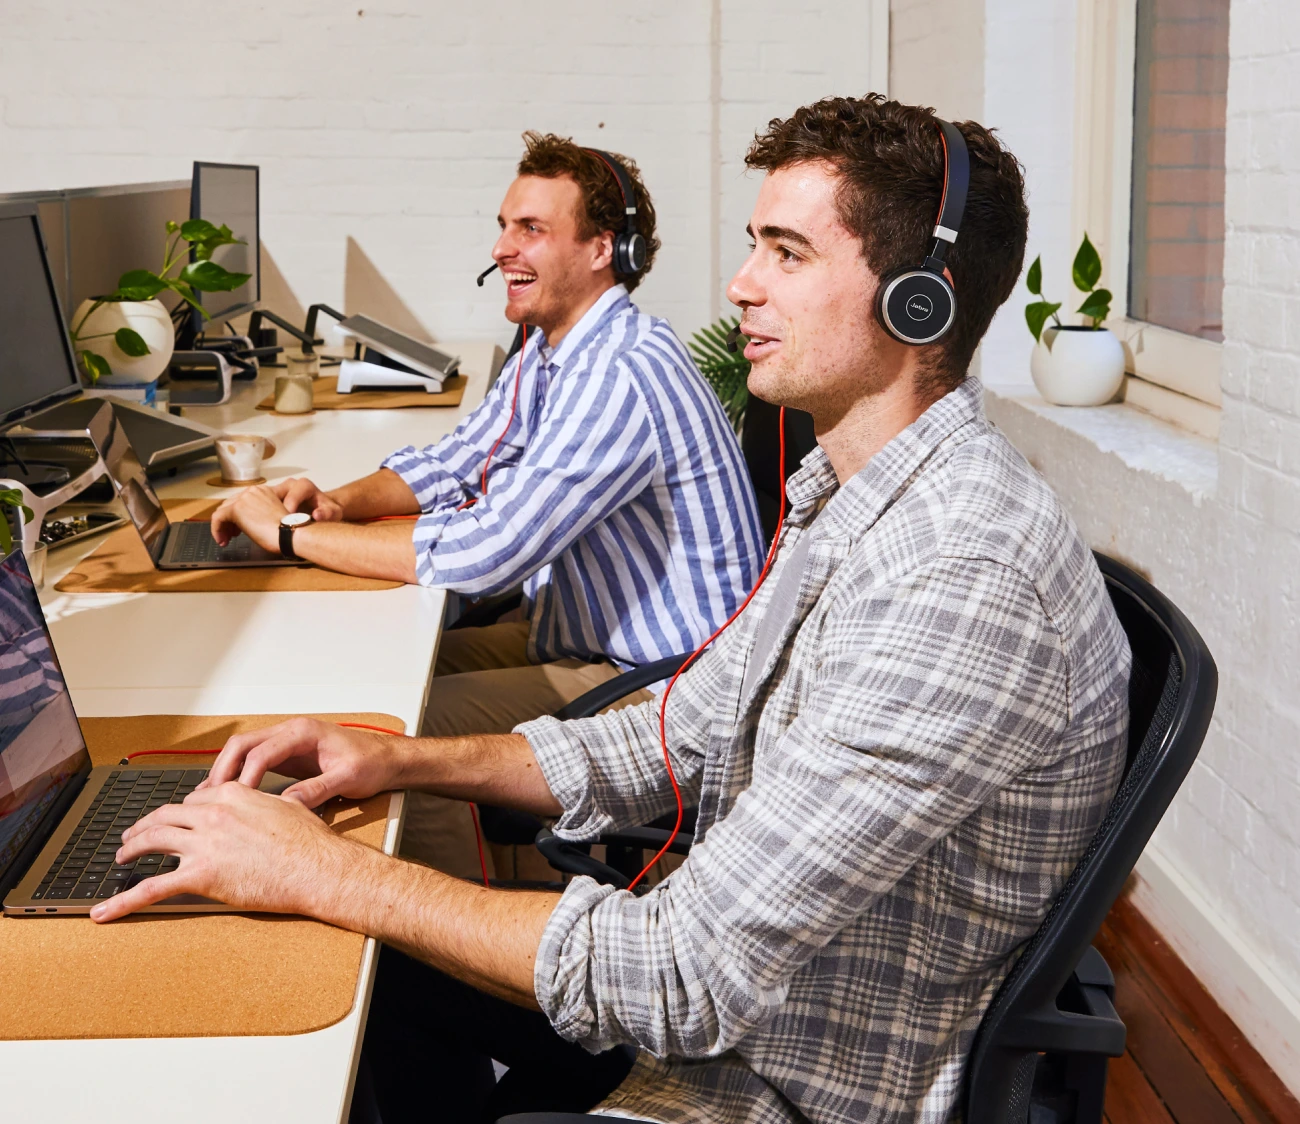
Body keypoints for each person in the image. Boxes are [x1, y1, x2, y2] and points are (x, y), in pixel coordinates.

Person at [93, 96, 1131, 1124]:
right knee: (367, 972)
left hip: (770, 1081)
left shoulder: (959, 574)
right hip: (730, 1019)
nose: (739, 286)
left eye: (786, 254)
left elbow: (685, 972)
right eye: (751, 246)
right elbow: (682, 730)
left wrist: (334, 874)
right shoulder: (857, 496)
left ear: (919, 301)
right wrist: (403, 758)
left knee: (347, 921)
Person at [211, 132, 764, 877]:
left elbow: (483, 553)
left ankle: (461, 946)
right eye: (504, 225)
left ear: (606, 249)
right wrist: (336, 503)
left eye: (531, 229)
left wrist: (287, 535)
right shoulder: (552, 348)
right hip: (584, 635)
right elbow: (461, 458)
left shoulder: (621, 374)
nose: (504, 247)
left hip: (660, 686)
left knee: (394, 732)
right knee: (373, 673)